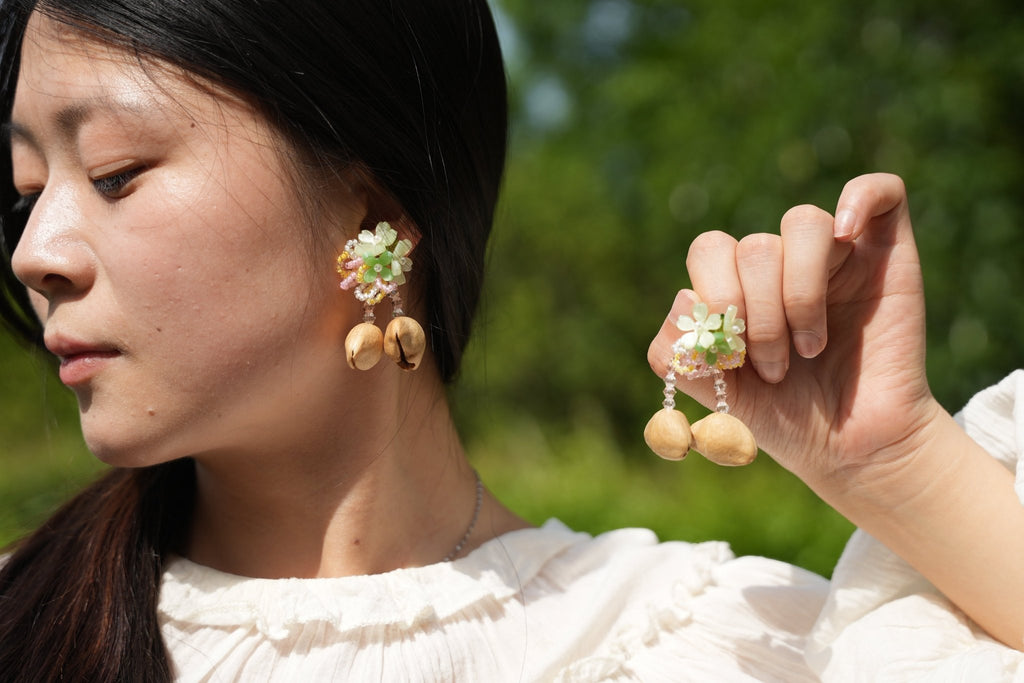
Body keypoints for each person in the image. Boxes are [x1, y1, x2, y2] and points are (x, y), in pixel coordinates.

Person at [1, 1, 1023, 681]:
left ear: (377, 212)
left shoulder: (710, 643)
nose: (35, 252)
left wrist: (895, 463)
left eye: (117, 172)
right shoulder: (32, 616)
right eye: (27, 193)